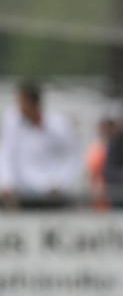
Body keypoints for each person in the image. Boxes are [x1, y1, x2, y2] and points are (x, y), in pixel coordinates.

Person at [0, 81, 81, 210]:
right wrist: (6, 183)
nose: (19, 108)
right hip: (25, 195)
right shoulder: (13, 124)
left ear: (34, 103)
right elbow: (6, 154)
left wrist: (61, 182)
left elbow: (73, 156)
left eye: (21, 103)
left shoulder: (59, 125)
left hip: (54, 195)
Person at [85, 117, 116, 211]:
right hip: (100, 195)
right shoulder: (96, 149)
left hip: (115, 194)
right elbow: (93, 174)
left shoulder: (118, 148)